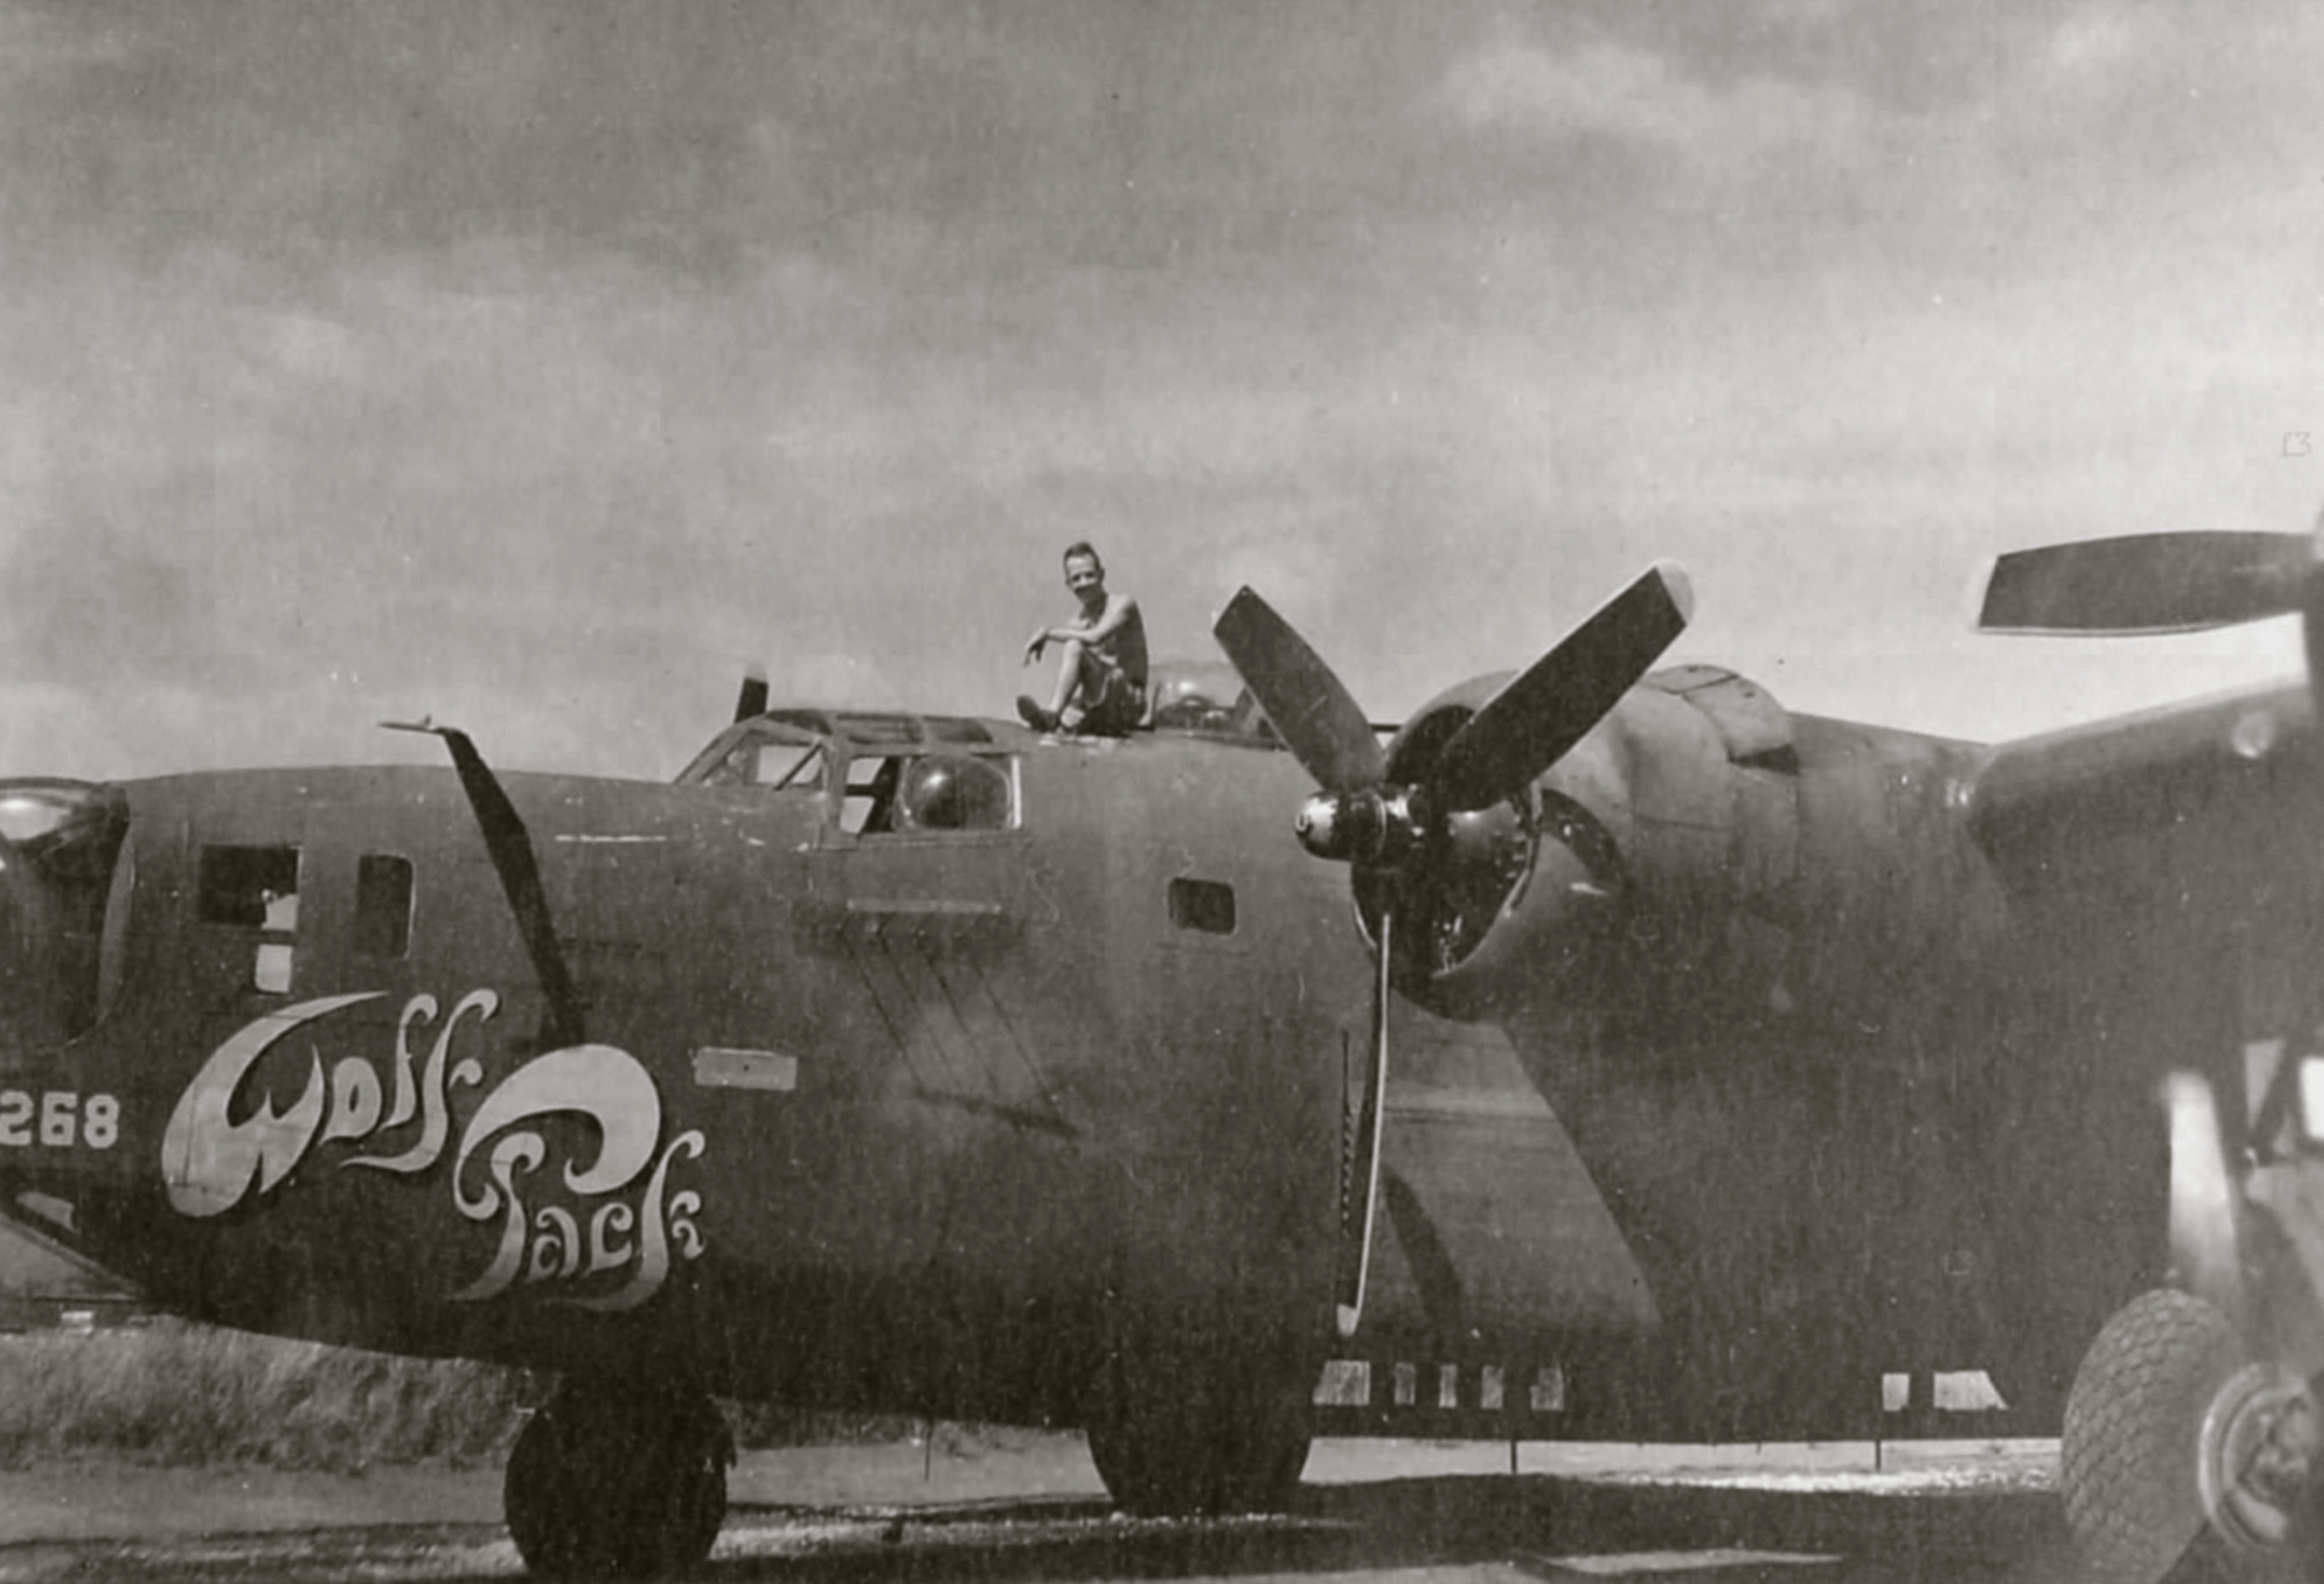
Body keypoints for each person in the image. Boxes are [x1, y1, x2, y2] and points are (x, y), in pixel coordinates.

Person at [1019, 542, 1148, 735]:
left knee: (1079, 649)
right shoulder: (1077, 623)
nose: (1083, 583)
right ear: (1069, 585)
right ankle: (1054, 717)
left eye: (1089, 575)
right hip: (1097, 701)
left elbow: (1096, 637)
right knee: (1074, 652)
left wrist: (1047, 633)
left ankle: (1061, 715)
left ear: (1101, 575)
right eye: (1076, 578)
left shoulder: (1123, 605)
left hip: (1126, 700)